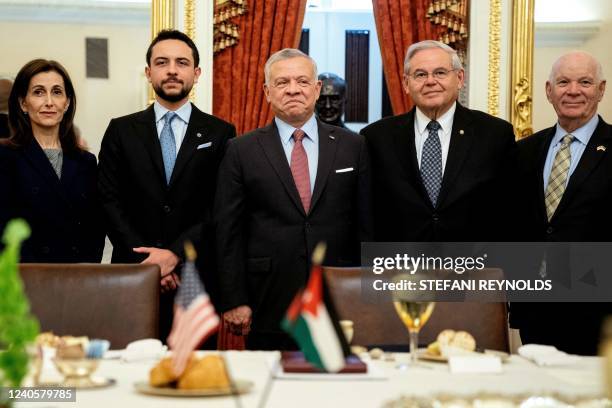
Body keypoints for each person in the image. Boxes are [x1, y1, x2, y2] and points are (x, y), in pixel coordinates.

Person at [215, 48, 371, 350]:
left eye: (302, 81)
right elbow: (228, 231)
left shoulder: (354, 146)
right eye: (282, 82)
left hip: (339, 297)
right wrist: (235, 299)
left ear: (316, 89)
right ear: (267, 92)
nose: (293, 89)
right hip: (268, 298)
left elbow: (366, 226)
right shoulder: (240, 150)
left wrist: (367, 292)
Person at [98, 30, 236, 342]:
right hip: (133, 276)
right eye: (162, 62)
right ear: (149, 72)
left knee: (195, 381)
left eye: (182, 62)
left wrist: (174, 255)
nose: (172, 70)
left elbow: (220, 206)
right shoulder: (121, 130)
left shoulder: (221, 132)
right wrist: (150, 264)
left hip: (196, 280)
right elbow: (108, 201)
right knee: (128, 375)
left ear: (196, 73)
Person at [360, 40, 516, 242]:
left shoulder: (495, 134)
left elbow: (512, 209)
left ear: (459, 78)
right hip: (399, 266)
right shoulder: (375, 137)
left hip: (472, 266)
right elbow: (367, 212)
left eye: (440, 72)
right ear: (406, 84)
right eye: (420, 74)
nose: (430, 81)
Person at [511, 51, 612, 355]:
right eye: (563, 82)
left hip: (599, 310)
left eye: (585, 82)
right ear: (548, 91)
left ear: (601, 89)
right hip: (536, 309)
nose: (573, 90)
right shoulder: (523, 151)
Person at [0, 59, 104, 262]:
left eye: (57, 92)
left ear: (66, 103)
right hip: (25, 277)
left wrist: (88, 270)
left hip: (78, 278)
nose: (49, 102)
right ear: (23, 103)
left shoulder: (86, 162)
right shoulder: (5, 156)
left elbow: (96, 227)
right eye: (38, 92)